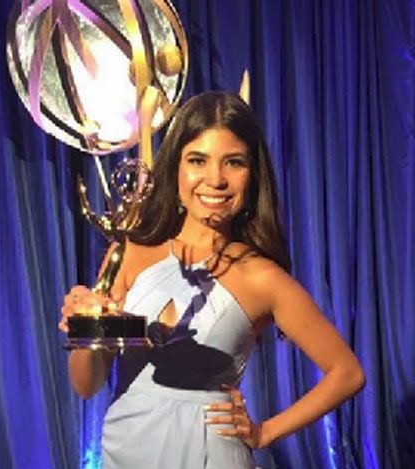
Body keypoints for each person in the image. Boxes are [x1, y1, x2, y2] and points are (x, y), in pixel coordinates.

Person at [59, 91, 365, 468]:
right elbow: (86, 385)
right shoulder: (130, 252)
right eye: (197, 160)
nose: (215, 179)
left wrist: (264, 432)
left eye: (234, 162)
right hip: (124, 450)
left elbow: (348, 373)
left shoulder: (262, 277)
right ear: (175, 168)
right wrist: (86, 329)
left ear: (253, 175)